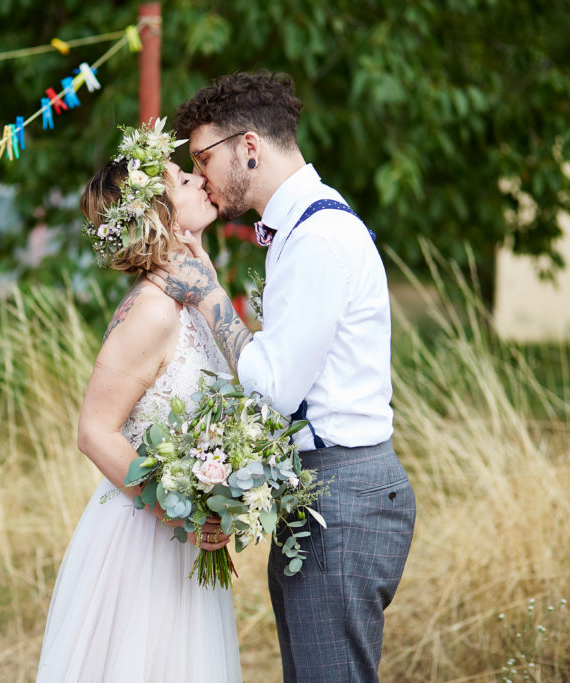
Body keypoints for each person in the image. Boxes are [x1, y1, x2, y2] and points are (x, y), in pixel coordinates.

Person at [147, 71, 416, 682]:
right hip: (323, 491)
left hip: (341, 498)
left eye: (202, 158)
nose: (202, 177)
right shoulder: (303, 231)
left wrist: (212, 296)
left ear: (248, 147)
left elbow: (271, 389)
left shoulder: (318, 239)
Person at [35, 119, 243, 682]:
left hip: (180, 541)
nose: (200, 181)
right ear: (159, 215)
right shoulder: (152, 310)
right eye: (182, 179)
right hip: (145, 540)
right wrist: (179, 510)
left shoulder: (190, 293)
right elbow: (94, 431)